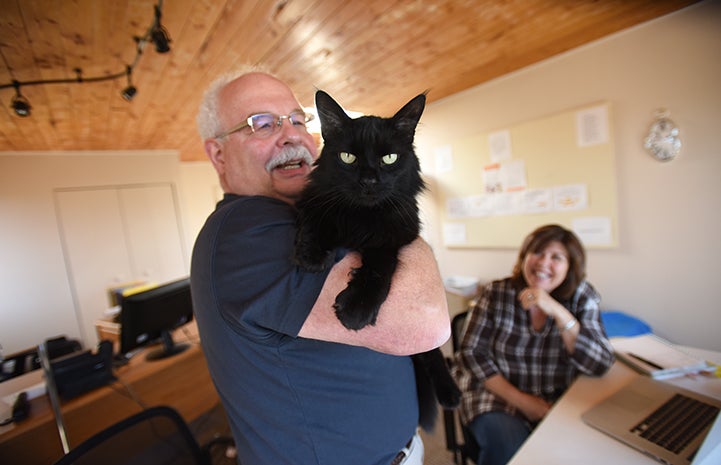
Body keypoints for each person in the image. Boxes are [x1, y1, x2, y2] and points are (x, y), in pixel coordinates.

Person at [190, 67, 451, 465]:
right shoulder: (245, 231)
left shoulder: (316, 211)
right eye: (261, 124)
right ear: (218, 154)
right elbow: (426, 320)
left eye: (298, 119)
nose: (292, 135)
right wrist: (399, 216)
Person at [453, 224, 614, 465]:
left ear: (570, 266)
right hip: (495, 395)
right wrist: (524, 402)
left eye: (556, 257)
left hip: (557, 398)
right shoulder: (496, 293)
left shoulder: (582, 296)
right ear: (524, 257)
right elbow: (471, 354)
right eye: (537, 253)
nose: (543, 263)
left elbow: (600, 364)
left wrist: (559, 312)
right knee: (509, 450)